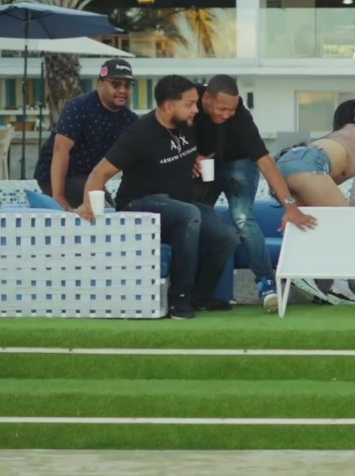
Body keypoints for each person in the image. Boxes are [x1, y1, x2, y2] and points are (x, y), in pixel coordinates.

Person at [77, 75, 239, 321]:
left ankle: (199, 296)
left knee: (226, 237)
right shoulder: (139, 134)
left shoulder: (187, 124)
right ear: (169, 106)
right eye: (189, 104)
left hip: (178, 205)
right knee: (189, 214)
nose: (196, 110)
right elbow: (100, 173)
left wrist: (197, 158)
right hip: (138, 207)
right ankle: (179, 298)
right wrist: (88, 203)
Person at [193, 74, 317, 313]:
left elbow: (266, 162)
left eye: (232, 109)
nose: (227, 115)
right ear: (206, 98)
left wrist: (290, 205)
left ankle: (266, 284)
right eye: (222, 109)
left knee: (242, 217)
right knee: (195, 216)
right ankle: (197, 291)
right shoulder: (190, 99)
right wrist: (193, 156)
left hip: (240, 163)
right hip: (205, 164)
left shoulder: (240, 117)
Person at [274, 99, 355, 305]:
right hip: (309, 162)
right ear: (350, 117)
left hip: (283, 166)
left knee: (309, 223)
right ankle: (339, 287)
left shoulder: (336, 138)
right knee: (348, 222)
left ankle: (301, 271)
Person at [34, 59, 138, 210]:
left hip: (88, 178)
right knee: (100, 210)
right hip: (55, 177)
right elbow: (60, 149)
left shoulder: (130, 120)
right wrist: (59, 197)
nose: (122, 90)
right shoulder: (80, 108)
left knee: (113, 210)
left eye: (127, 85)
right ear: (100, 84)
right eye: (115, 84)